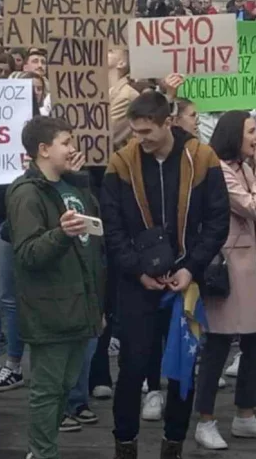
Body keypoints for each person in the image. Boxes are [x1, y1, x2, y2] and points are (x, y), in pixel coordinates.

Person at [101, 91, 229, 459]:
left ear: (168, 122)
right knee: (133, 366)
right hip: (137, 283)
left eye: (147, 132)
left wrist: (192, 267)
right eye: (136, 131)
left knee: (181, 368)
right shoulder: (121, 163)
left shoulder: (203, 158)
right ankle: (124, 445)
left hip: (185, 280)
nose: (141, 139)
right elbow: (113, 229)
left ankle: (173, 444)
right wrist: (137, 270)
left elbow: (218, 221)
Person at [6, 117, 105, 459]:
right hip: (51, 309)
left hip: (79, 302)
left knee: (65, 386)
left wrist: (81, 182)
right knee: (47, 390)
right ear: (43, 150)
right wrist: (61, 234)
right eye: (66, 142)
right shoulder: (26, 193)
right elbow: (28, 253)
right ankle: (41, 453)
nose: (73, 148)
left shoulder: (70, 185)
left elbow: (93, 234)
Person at [193, 111, 256, 450]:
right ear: (233, 134)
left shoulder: (241, 167)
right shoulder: (219, 170)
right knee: (217, 344)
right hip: (229, 271)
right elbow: (255, 207)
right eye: (251, 131)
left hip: (251, 268)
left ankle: (245, 414)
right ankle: (205, 420)